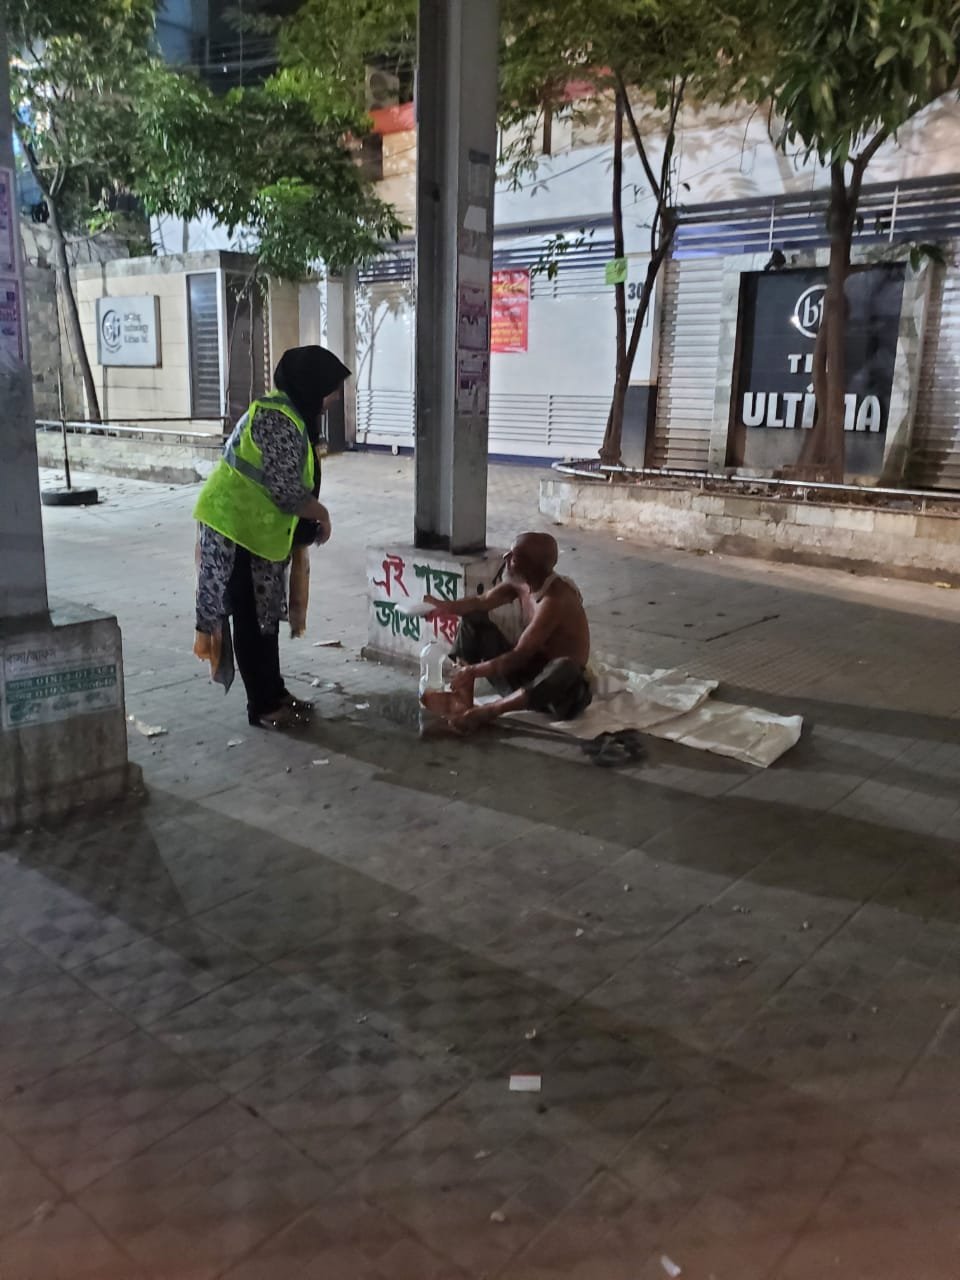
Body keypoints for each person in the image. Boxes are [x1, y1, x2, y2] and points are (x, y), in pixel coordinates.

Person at [193, 345, 350, 728]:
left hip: (258, 535)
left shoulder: (292, 415)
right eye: (330, 389)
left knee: (265, 620)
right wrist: (322, 515)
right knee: (249, 620)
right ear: (309, 384)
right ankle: (261, 707)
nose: (333, 399)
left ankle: (274, 692)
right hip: (233, 534)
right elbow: (285, 490)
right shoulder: (278, 419)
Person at [424, 531, 592, 731]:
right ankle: (462, 696)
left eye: (514, 556)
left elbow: (519, 656)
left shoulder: (555, 600)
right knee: (474, 620)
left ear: (533, 566)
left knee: (565, 667)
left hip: (558, 694)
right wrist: (443, 607)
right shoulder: (521, 583)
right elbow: (481, 602)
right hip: (526, 679)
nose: (506, 557)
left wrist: (474, 671)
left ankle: (490, 711)